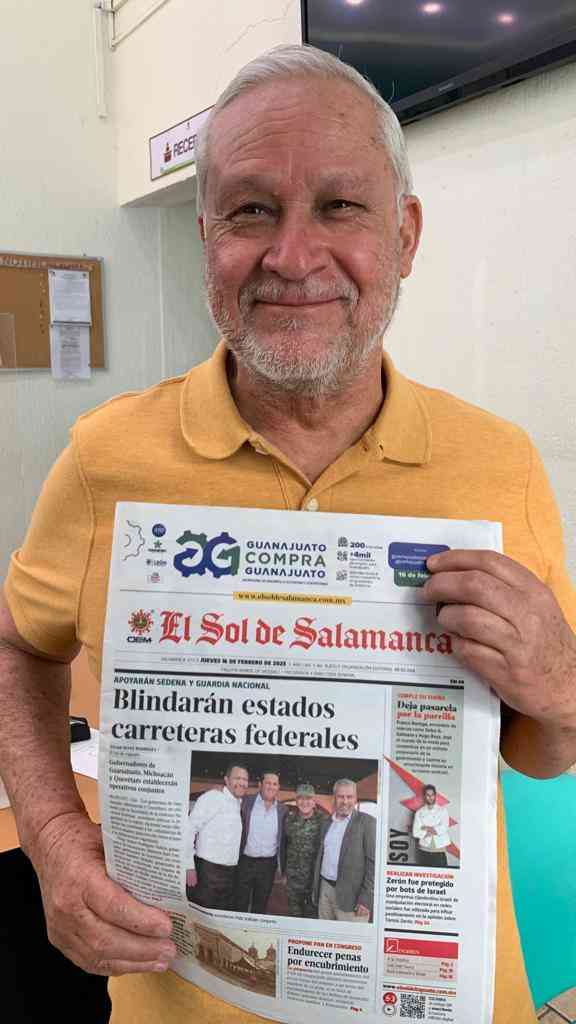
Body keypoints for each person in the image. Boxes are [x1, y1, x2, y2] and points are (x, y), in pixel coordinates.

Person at [0, 41, 575, 1024]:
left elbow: (541, 751)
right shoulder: (104, 460)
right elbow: (21, 646)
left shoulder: (500, 464)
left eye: (340, 206)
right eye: (252, 209)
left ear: (405, 235)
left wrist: (561, 682)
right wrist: (53, 836)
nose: (293, 256)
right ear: (206, 237)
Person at [185, 763, 249, 909]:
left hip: (230, 874)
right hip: (208, 873)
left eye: (245, 779)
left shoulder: (238, 803)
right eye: (237, 778)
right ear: (226, 780)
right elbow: (189, 829)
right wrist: (188, 866)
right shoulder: (212, 798)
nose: (242, 782)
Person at [314, 780, 375, 922]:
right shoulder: (326, 823)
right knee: (325, 932)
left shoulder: (367, 822)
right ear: (334, 798)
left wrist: (366, 898)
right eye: (341, 796)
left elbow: (373, 864)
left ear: (355, 799)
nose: (345, 801)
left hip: (352, 898)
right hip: (325, 889)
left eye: (349, 797)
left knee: (351, 936)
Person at [235, 771, 287, 914]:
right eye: (268, 783)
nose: (271, 787)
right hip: (245, 862)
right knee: (240, 902)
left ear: (278, 787)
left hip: (268, 865)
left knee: (261, 904)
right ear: (260, 785)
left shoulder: (283, 809)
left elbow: (284, 839)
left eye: (275, 784)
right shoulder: (246, 802)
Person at [279, 783, 324, 917]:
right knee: (294, 914)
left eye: (308, 798)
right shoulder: (289, 819)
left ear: (314, 801)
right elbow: (284, 845)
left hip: (313, 880)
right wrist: (283, 873)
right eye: (301, 798)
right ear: (296, 800)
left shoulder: (323, 820)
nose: (305, 802)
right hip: (293, 879)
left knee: (311, 916)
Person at [412, 785, 451, 867]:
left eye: (432, 795)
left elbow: (444, 828)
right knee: (423, 874)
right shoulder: (419, 812)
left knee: (441, 874)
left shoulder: (443, 811)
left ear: (435, 795)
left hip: (439, 850)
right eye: (428, 795)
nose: (430, 797)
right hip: (423, 850)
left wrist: (427, 828)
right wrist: (433, 830)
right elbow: (415, 832)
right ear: (424, 796)